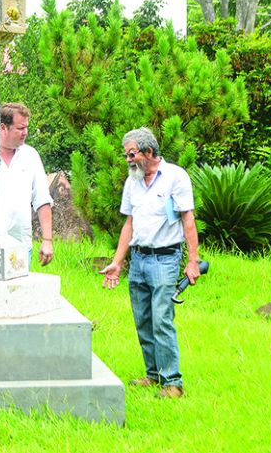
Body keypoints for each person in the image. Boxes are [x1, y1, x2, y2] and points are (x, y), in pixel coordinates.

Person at [100, 127, 201, 399]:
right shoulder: (132, 182)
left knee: (162, 320)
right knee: (143, 320)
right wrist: (117, 262)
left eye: (132, 154)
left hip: (165, 259)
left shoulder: (175, 177)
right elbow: (129, 223)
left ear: (148, 151)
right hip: (140, 259)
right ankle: (154, 374)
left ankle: (173, 383)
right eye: (126, 156)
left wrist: (192, 262)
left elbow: (188, 221)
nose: (129, 160)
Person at [0, 102, 54, 267]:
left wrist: (47, 240)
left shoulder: (30, 156)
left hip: (20, 244)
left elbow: (42, 199)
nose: (25, 132)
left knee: (18, 291)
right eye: (20, 128)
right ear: (3, 128)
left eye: (26, 127)